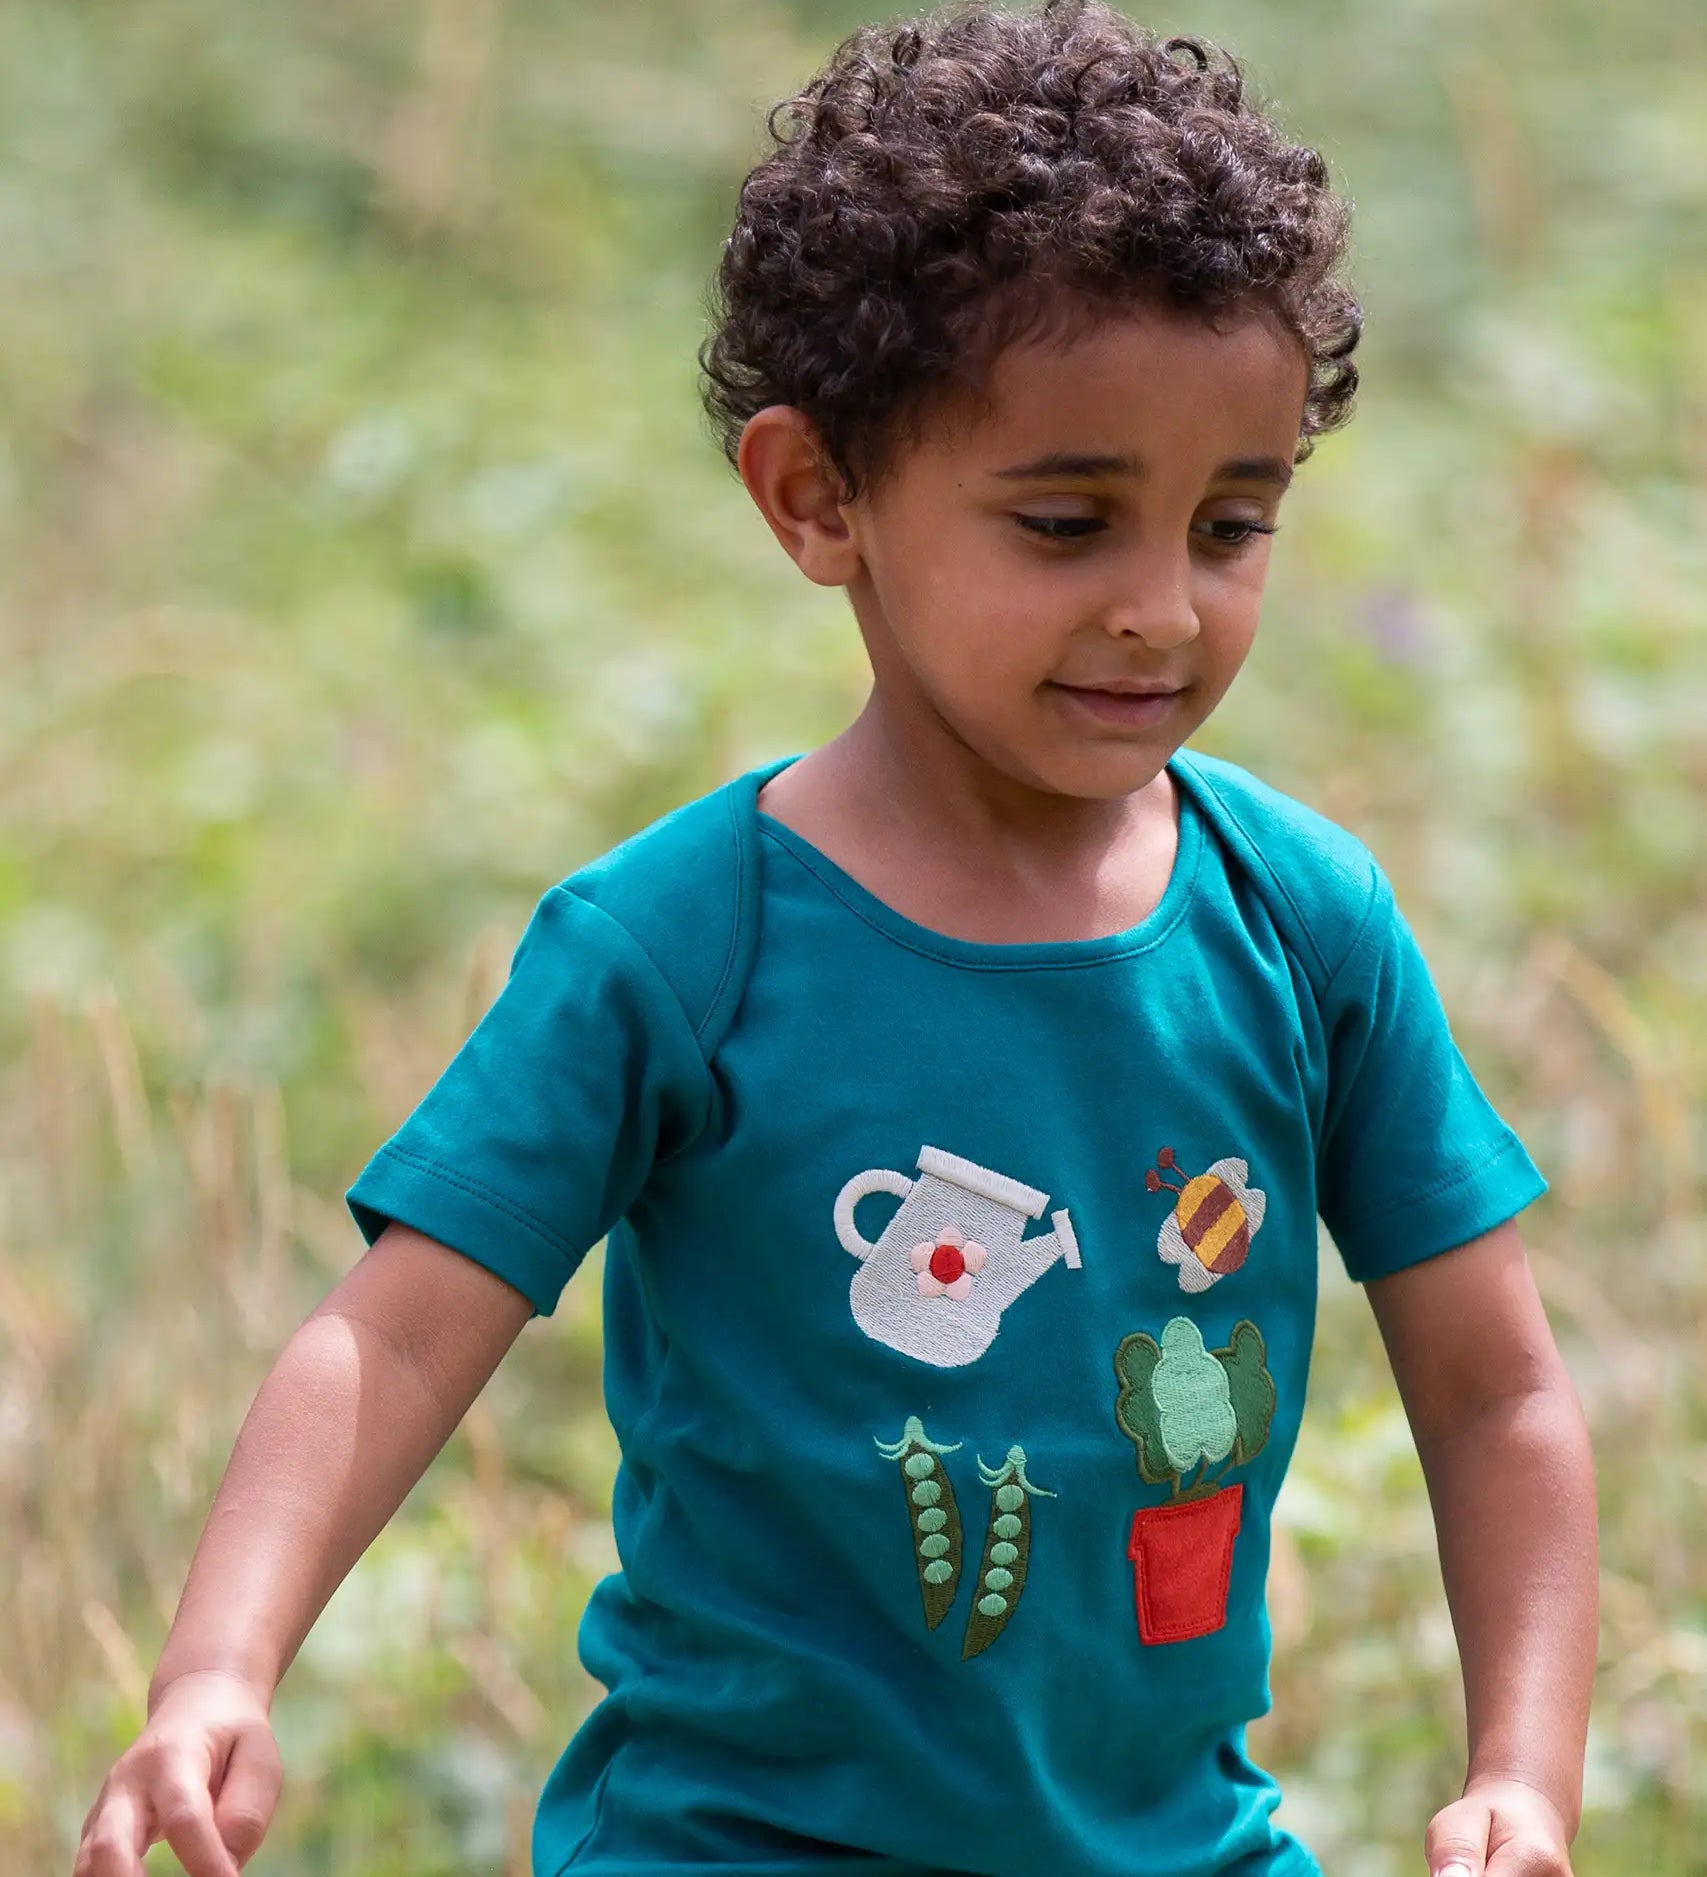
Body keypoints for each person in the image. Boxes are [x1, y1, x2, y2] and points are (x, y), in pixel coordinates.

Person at [72, 4, 1599, 1875]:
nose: (1159, 608)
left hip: (1183, 1843)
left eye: (1229, 523)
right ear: (819, 500)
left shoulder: (1304, 925)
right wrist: (218, 1668)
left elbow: (1498, 1386)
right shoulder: (675, 946)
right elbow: (389, 1339)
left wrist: (1526, 1772)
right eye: (1066, 520)